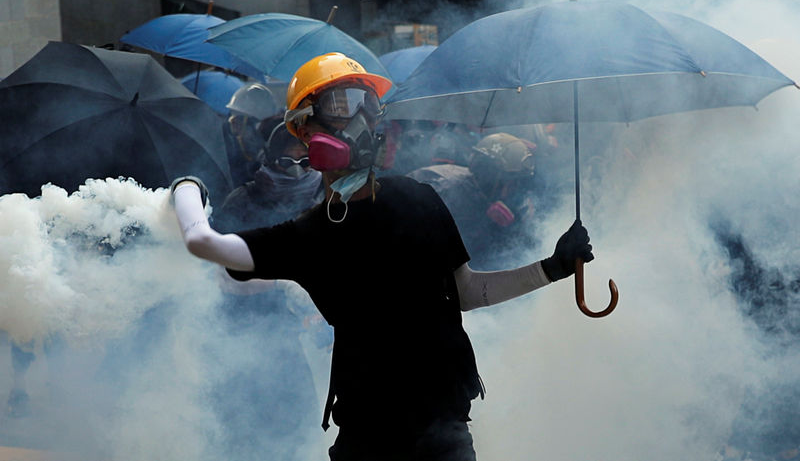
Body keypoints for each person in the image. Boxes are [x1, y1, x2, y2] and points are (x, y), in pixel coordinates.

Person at [170, 52, 594, 461]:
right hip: (370, 439)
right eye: (341, 105)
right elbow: (205, 246)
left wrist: (550, 269)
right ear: (304, 130)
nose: (361, 121)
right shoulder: (311, 233)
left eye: (368, 105)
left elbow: (467, 291)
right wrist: (187, 186)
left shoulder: (419, 199)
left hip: (443, 433)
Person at [210, 118, 328, 461]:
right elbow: (220, 274)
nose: (296, 171)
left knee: (298, 433)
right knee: (239, 435)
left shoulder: (323, 201)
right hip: (241, 338)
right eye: (286, 161)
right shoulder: (242, 202)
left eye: (305, 161)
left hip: (289, 340)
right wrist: (283, 282)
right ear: (270, 159)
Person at [408, 132, 538, 269]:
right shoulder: (444, 190)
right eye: (511, 182)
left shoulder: (514, 204)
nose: (515, 190)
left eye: (519, 183)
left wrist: (510, 229)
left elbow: (525, 253)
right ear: (488, 175)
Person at [222, 82, 281, 186]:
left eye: (238, 122)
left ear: (257, 126)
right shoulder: (229, 151)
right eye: (232, 122)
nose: (235, 130)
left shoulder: (275, 161)